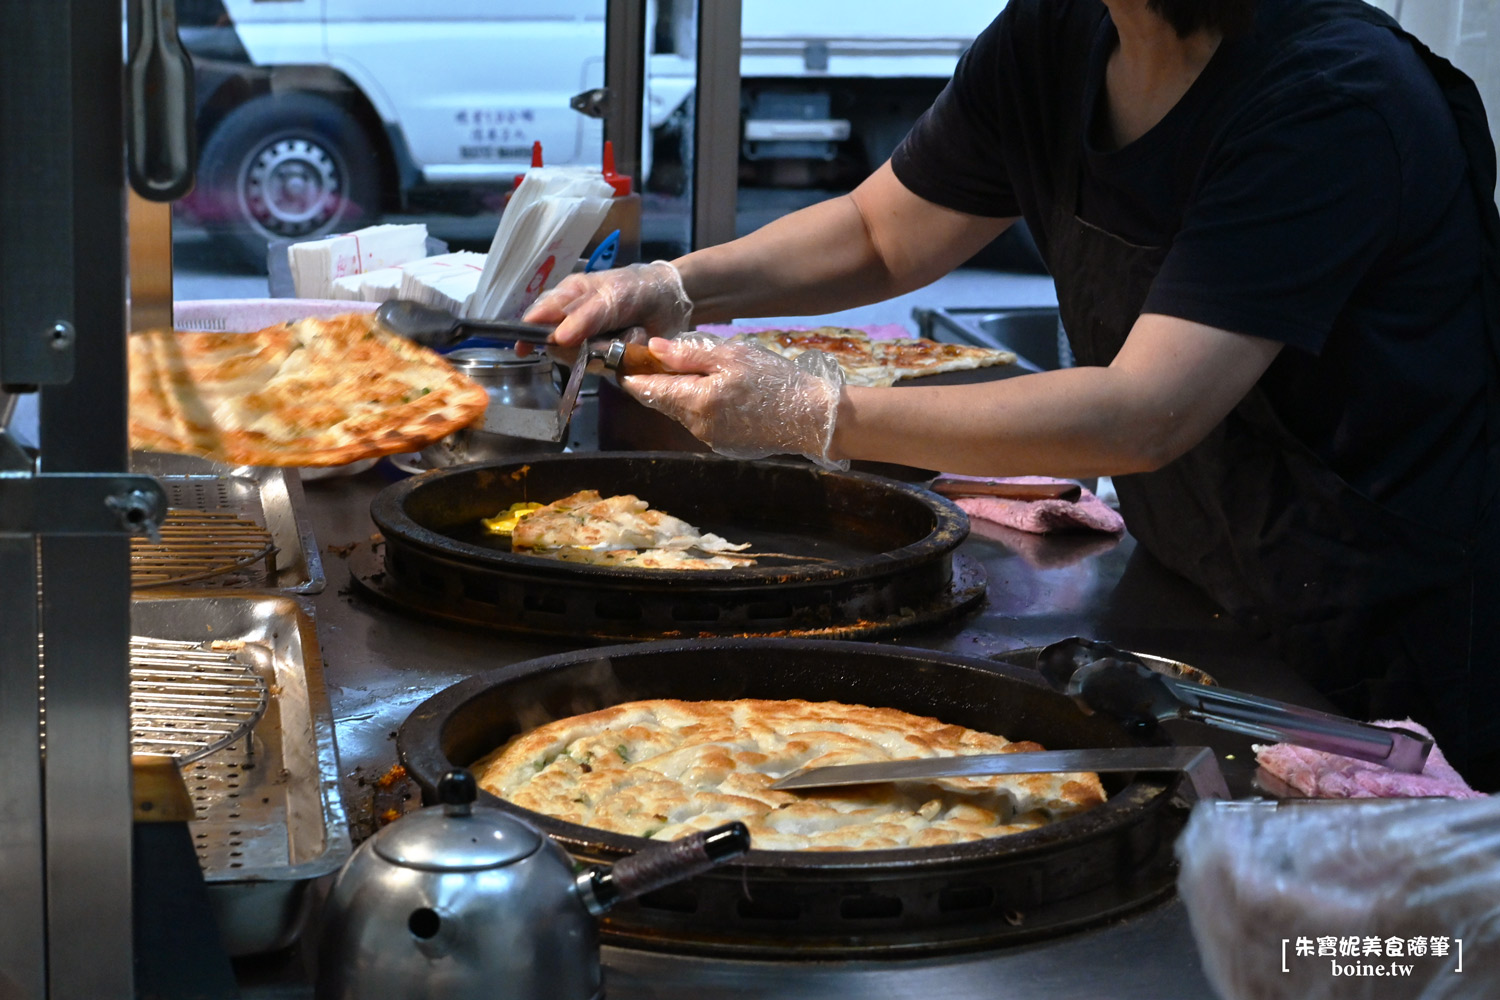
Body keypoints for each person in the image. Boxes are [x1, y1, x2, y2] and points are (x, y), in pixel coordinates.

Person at [525, 0, 1500, 788]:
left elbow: (1145, 411)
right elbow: (881, 231)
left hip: (1389, 654)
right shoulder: (1057, 38)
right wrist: (675, 284)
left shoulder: (1333, 95)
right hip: (1210, 594)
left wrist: (821, 412)